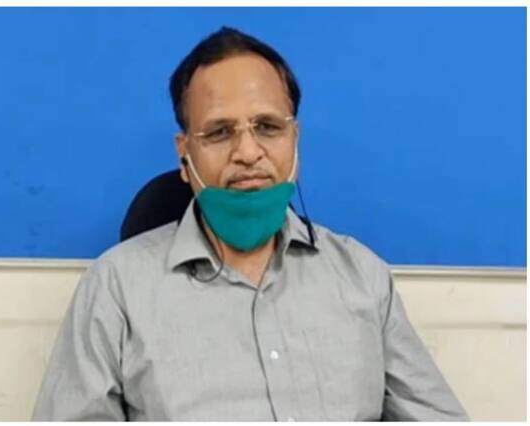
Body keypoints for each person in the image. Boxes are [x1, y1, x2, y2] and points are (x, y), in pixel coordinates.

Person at [32, 27, 468, 421]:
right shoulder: (116, 287)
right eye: (219, 132)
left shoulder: (362, 276)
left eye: (268, 127)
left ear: (294, 139)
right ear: (184, 155)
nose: (247, 152)